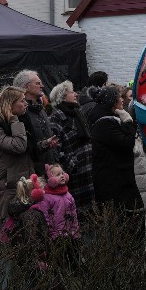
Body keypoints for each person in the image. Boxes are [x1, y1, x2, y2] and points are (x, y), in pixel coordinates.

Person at [89, 85, 143, 217]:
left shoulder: (111, 119)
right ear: (112, 101)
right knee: (123, 219)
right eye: (119, 96)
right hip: (113, 181)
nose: (122, 100)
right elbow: (126, 143)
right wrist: (129, 123)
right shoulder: (104, 123)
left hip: (119, 177)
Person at [0, 86, 35, 226]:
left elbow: (28, 149)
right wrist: (14, 120)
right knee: (4, 230)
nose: (26, 103)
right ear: (10, 104)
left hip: (21, 182)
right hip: (6, 187)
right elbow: (19, 146)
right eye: (22, 101)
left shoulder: (21, 120)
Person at [47, 81, 95, 210]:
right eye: (71, 92)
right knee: (80, 211)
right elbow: (56, 149)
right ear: (62, 96)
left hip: (90, 168)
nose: (75, 94)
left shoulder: (77, 112)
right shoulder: (56, 118)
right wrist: (72, 165)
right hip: (76, 174)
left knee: (94, 209)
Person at [12, 69, 59, 174]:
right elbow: (25, 148)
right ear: (26, 87)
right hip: (33, 172)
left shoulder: (40, 108)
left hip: (49, 168)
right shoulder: (19, 113)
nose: (42, 86)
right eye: (38, 83)